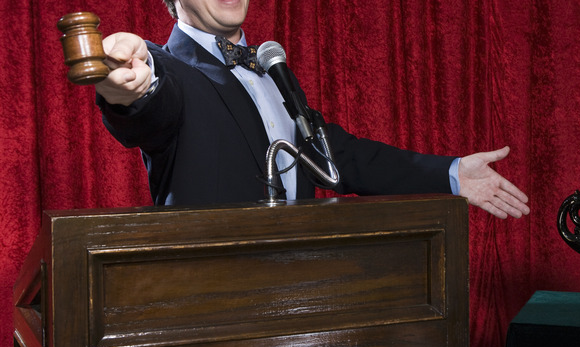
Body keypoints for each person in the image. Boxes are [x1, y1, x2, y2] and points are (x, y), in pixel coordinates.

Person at [95, 0, 530, 219]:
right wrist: (133, 84)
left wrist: (451, 173)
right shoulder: (164, 68)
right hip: (215, 306)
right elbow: (148, 106)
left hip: (300, 295)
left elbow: (338, 157)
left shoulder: (270, 68)